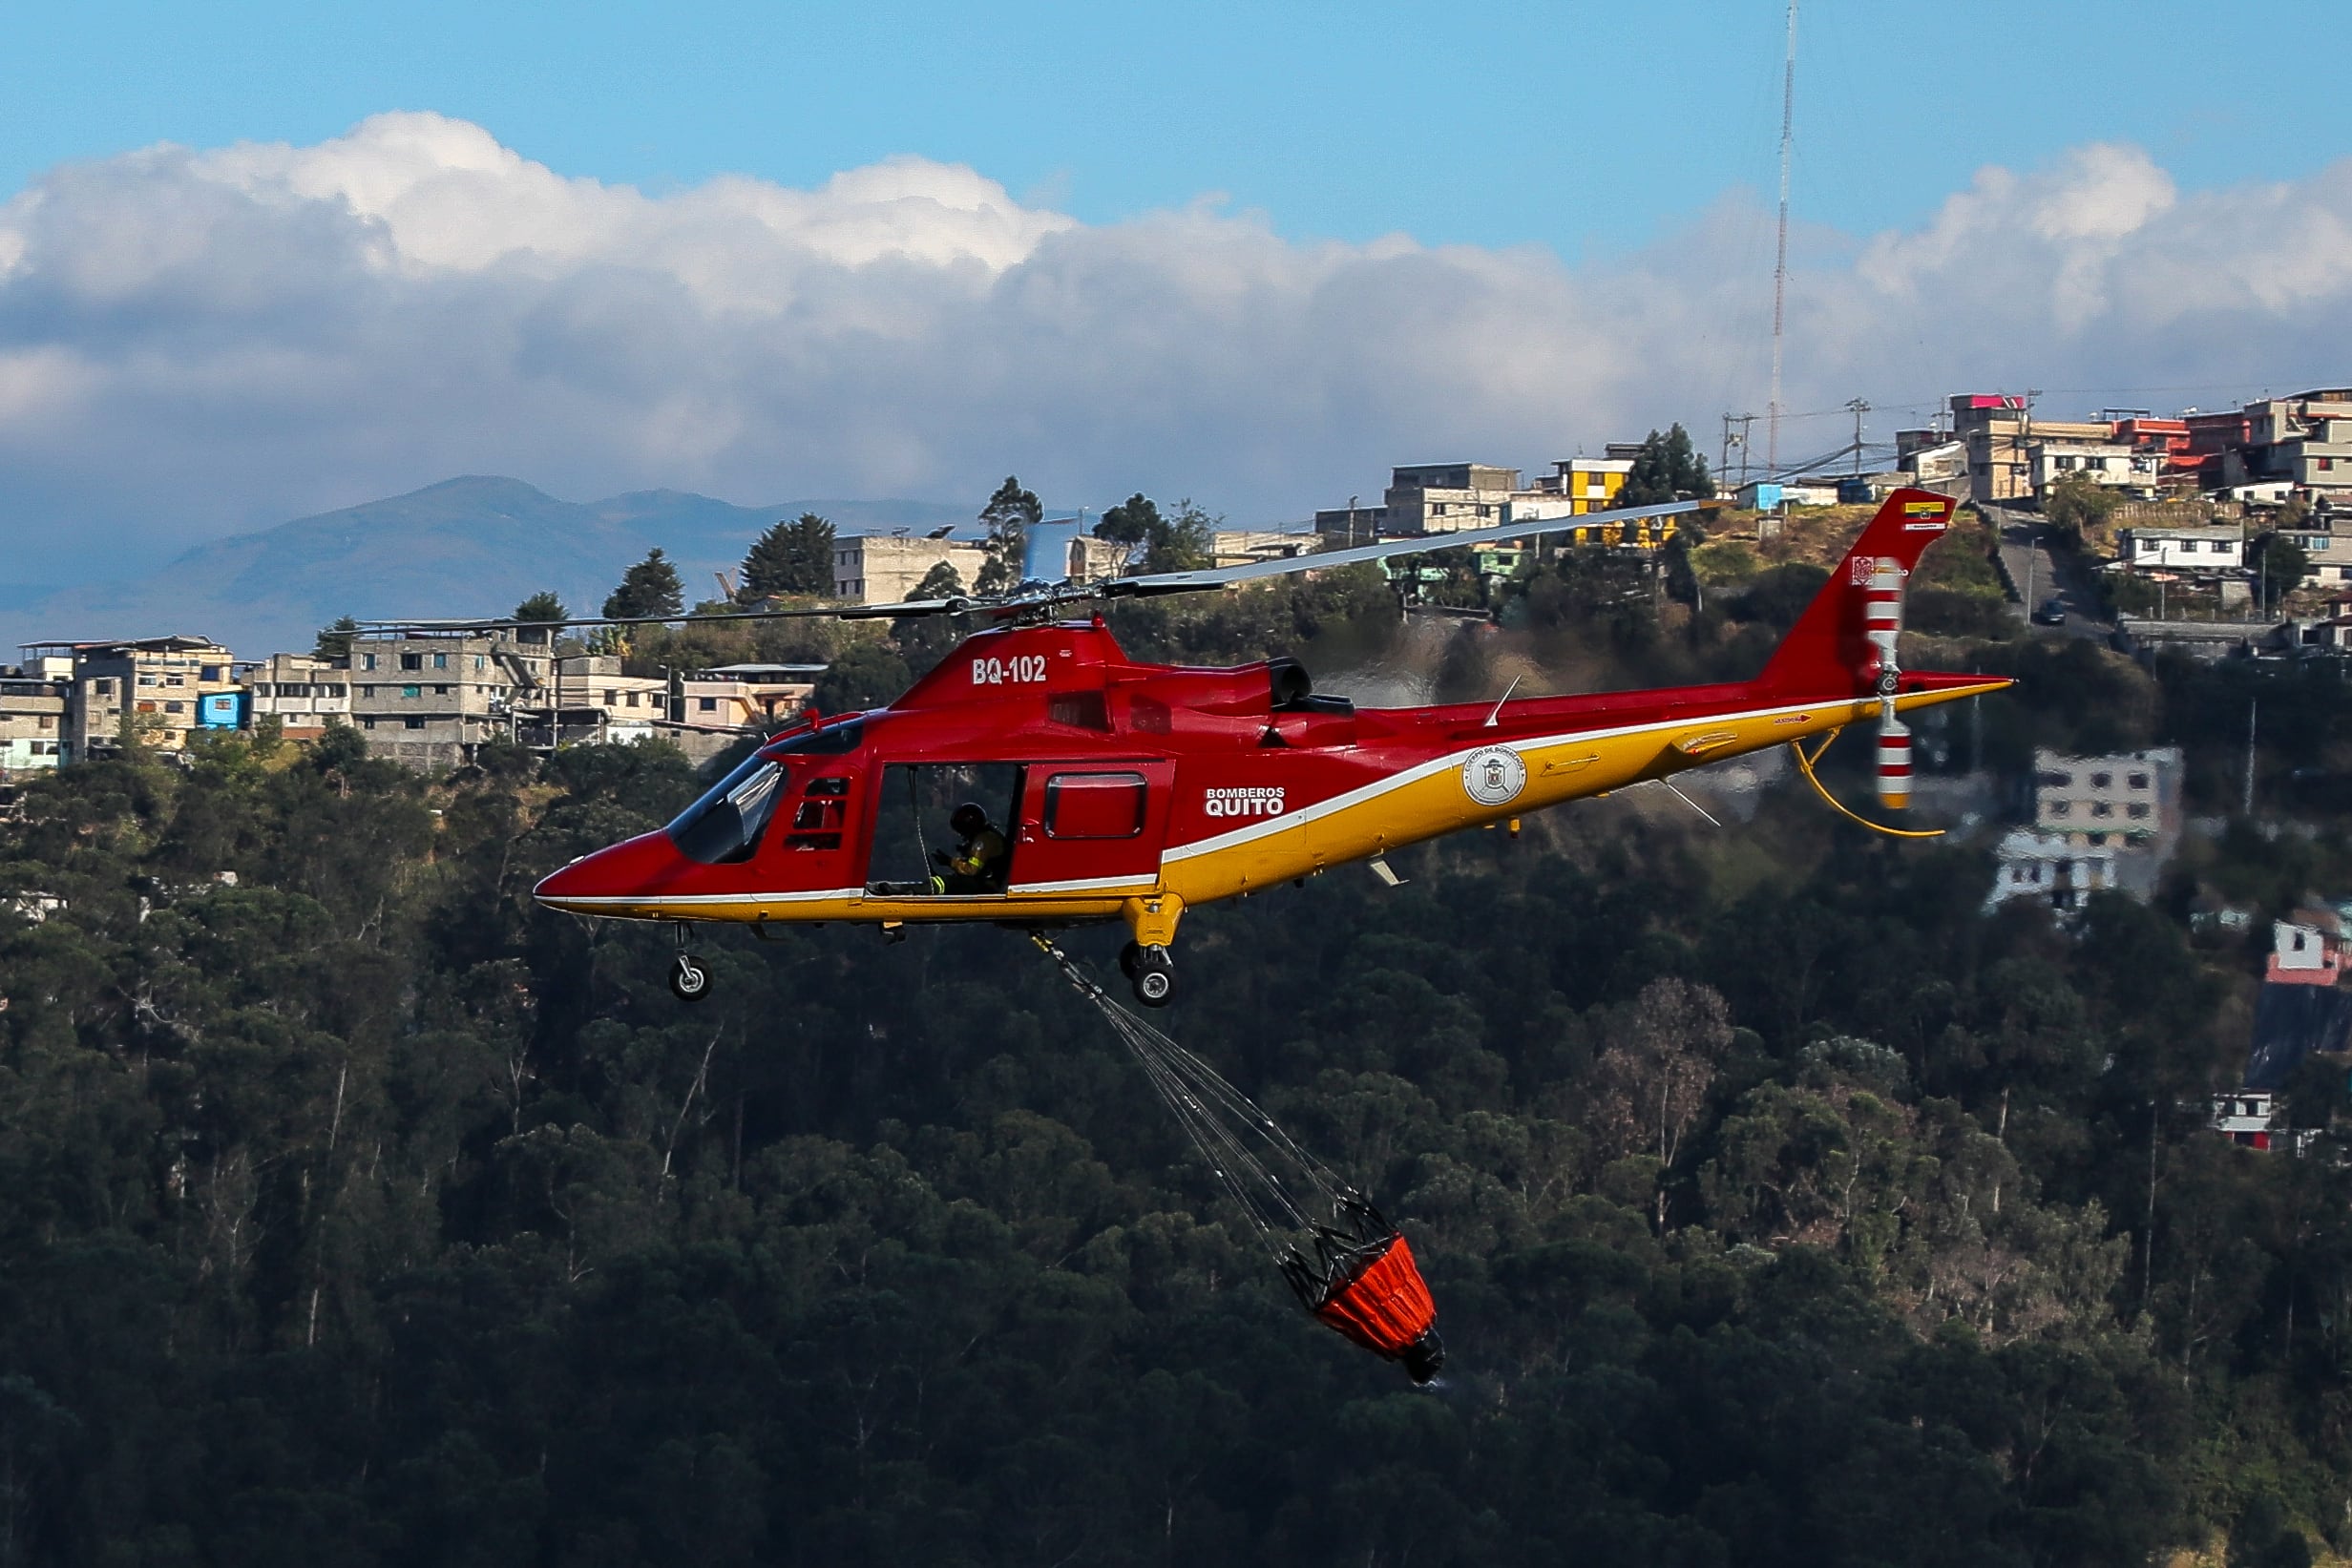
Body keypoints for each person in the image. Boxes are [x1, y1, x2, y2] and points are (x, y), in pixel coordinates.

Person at [934, 802, 1007, 893]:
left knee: (947, 883)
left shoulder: (983, 840)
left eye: (962, 831)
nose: (964, 836)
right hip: (988, 884)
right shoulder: (988, 836)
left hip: (989, 887)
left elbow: (971, 870)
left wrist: (950, 861)